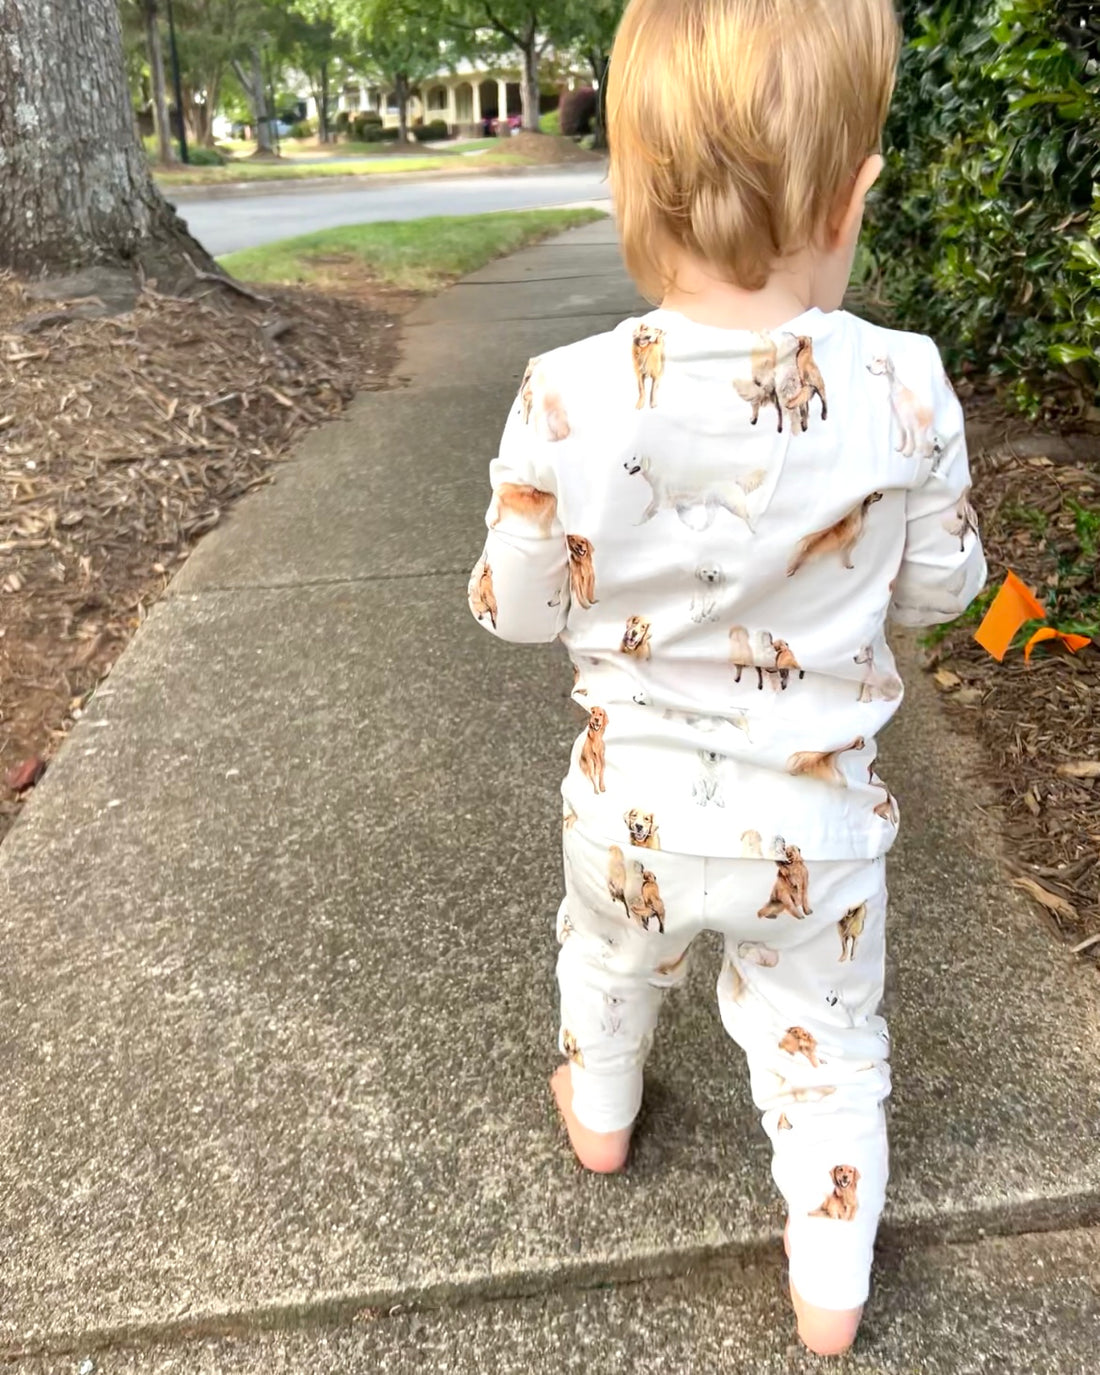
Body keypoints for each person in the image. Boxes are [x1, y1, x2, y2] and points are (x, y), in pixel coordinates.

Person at [467, 0, 986, 1356]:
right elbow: (942, 592)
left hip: (625, 815)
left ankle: (601, 1117)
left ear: (627, 183)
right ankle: (829, 1292)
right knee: (829, 1052)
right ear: (854, 197)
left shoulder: (565, 391)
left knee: (607, 961)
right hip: (812, 834)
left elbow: (517, 612)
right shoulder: (909, 387)